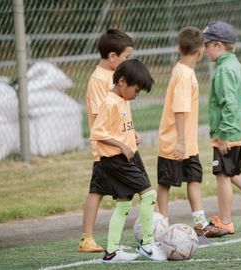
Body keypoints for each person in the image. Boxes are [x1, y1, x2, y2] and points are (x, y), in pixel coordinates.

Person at [91, 59, 167, 263]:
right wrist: (121, 145)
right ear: (123, 81)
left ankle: (112, 252)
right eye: (137, 89)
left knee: (124, 204)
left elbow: (118, 126)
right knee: (149, 194)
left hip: (125, 157)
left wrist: (131, 135)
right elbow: (97, 132)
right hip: (116, 159)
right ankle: (147, 243)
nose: (137, 94)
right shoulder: (110, 102)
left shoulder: (123, 100)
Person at [156, 26, 226, 238]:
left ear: (179, 47)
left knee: (194, 178)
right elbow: (179, 109)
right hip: (175, 142)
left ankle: (199, 222)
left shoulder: (184, 70)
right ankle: (161, 225)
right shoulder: (184, 75)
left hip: (189, 144)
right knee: (166, 183)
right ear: (201, 52)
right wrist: (180, 141)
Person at [203, 21, 241, 235]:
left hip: (227, 134)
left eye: (207, 45)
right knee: (235, 172)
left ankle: (225, 221)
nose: (204, 49)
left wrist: (221, 134)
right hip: (236, 133)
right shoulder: (235, 65)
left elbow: (229, 104)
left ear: (219, 45)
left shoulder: (223, 70)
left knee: (222, 175)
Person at [79, 29, 134, 253]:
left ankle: (116, 239)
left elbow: (120, 113)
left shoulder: (113, 78)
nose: (128, 62)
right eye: (126, 57)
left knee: (125, 193)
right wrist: (118, 141)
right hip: (105, 150)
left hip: (119, 147)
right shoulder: (98, 81)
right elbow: (102, 118)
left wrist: (132, 131)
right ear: (113, 57)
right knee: (98, 191)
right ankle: (87, 238)